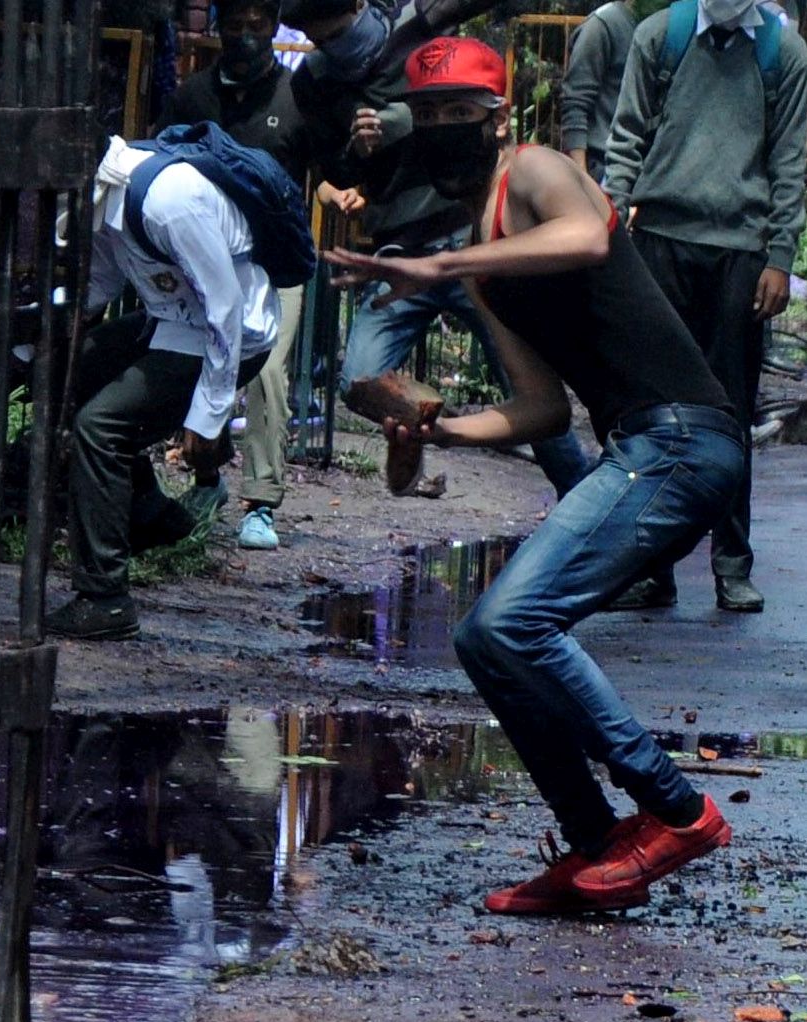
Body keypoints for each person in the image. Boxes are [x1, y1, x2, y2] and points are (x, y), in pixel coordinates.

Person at [331, 36, 738, 915]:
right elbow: (541, 409)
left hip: (681, 438)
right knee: (486, 638)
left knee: (515, 621)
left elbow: (588, 235)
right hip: (639, 447)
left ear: (497, 118)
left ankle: (674, 809)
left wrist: (439, 266)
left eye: (460, 112)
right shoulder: (486, 266)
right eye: (428, 114)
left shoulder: (536, 169)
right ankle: (597, 845)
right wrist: (434, 431)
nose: (444, 127)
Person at [285, 0, 594, 496]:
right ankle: (429, 430)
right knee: (359, 379)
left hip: (465, 239)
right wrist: (358, 152)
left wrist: (400, 121)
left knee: (528, 390)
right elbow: (334, 172)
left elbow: (459, 96)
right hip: (401, 252)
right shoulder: (314, 80)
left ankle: (580, 494)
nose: (331, 47)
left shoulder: (414, 25)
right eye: (318, 40)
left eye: (337, 32)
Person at [601, 0, 807, 613]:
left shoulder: (782, 52)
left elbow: (790, 158)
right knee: (652, 409)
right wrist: (607, 230)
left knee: (730, 411)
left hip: (739, 252)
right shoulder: (660, 36)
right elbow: (625, 139)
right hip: (659, 240)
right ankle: (652, 567)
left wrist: (779, 256)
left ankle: (732, 564)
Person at [49, 134, 279, 640]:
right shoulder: (108, 200)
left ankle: (105, 598)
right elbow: (102, 282)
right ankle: (149, 515)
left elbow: (225, 309)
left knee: (100, 427)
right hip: (171, 320)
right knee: (69, 375)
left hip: (233, 335)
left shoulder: (168, 201)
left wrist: (208, 415)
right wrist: (36, 328)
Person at [165, 0, 329, 548]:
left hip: (276, 259)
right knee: (199, 366)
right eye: (234, 25)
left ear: (273, 25)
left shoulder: (297, 95)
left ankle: (260, 502)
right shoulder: (194, 96)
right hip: (206, 260)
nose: (246, 35)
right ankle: (207, 477)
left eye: (257, 25)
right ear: (219, 29)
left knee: (267, 373)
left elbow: (325, 169)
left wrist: (342, 191)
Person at [562, 0, 671, 179]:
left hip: (641, 166)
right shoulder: (602, 25)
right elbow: (575, 103)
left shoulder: (662, 28)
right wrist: (582, 177)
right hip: (601, 163)